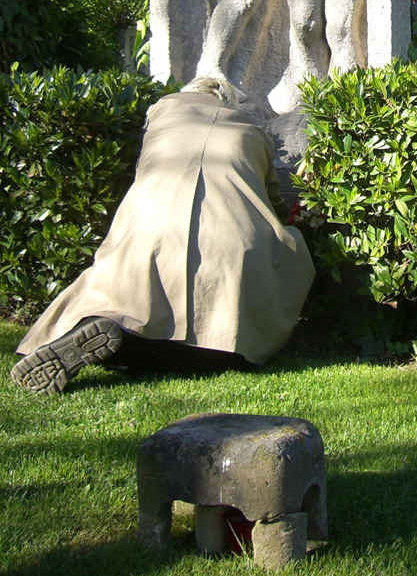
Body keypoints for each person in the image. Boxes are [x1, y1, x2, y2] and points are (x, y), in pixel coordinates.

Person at [11, 76, 314, 394]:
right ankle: (216, 346)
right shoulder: (253, 133)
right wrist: (287, 223)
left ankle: (107, 329)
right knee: (280, 261)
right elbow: (273, 200)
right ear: (230, 104)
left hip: (151, 232)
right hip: (233, 261)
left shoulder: (161, 115)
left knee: (121, 296)